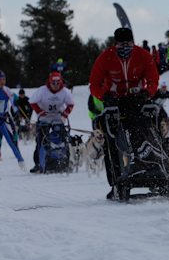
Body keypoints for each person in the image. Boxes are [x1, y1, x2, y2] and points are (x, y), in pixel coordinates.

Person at [89, 27, 159, 196]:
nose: (125, 47)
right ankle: (115, 180)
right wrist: (104, 96)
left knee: (154, 131)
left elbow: (153, 81)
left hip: (138, 100)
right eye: (121, 44)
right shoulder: (105, 58)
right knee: (112, 140)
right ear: (115, 44)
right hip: (115, 102)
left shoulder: (143, 56)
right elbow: (94, 84)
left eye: (128, 44)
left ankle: (158, 170)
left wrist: (145, 94)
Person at [29, 72, 75, 173]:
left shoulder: (65, 92)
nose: (55, 85)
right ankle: (39, 163)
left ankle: (63, 161)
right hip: (44, 119)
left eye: (58, 83)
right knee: (41, 141)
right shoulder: (42, 91)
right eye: (53, 83)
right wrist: (39, 111)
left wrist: (66, 113)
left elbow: (71, 103)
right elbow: (32, 102)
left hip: (58, 118)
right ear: (49, 83)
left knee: (61, 140)